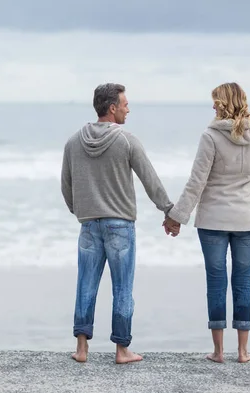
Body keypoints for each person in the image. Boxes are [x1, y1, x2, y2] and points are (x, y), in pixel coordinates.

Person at [61, 83, 174, 364]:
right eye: (124, 104)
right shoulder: (126, 140)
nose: (128, 108)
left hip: (88, 225)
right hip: (120, 226)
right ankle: (122, 350)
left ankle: (82, 349)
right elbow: (151, 180)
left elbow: (66, 185)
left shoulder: (74, 142)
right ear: (112, 108)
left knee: (85, 285)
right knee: (122, 288)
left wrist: (82, 211)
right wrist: (170, 212)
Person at [163, 82, 250, 363]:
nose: (212, 106)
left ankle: (219, 352)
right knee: (243, 283)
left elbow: (197, 182)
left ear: (223, 103)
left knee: (216, 282)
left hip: (213, 219)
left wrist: (177, 217)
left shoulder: (210, 136)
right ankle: (243, 352)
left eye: (215, 101)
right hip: (248, 219)